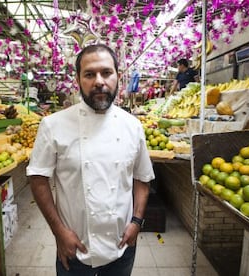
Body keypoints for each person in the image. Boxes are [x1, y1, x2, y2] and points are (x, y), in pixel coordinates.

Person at [26, 44, 155, 276]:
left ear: (118, 76)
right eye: (89, 74)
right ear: (78, 79)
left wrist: (136, 222)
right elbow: (38, 179)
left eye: (106, 72)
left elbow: (142, 178)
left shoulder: (133, 126)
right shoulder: (53, 125)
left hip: (122, 246)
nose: (99, 81)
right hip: (74, 247)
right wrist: (59, 232)